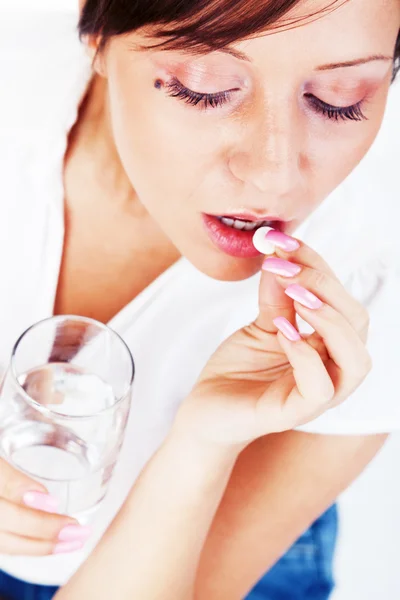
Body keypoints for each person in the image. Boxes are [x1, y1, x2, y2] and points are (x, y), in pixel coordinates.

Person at [0, 0, 399, 599]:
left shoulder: (378, 257)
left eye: (340, 100)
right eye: (204, 89)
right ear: (97, 34)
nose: (275, 177)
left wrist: (205, 443)